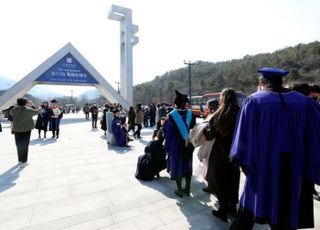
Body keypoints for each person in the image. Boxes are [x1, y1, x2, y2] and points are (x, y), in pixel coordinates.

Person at [229, 67, 320, 230]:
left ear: (262, 82)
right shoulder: (304, 102)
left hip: (263, 168)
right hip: (294, 169)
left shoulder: (254, 101)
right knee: (285, 214)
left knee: (249, 210)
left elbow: (243, 138)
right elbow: (314, 134)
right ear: (282, 81)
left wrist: (243, 162)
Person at [202, 88, 240, 222]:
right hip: (235, 154)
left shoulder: (219, 114)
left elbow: (209, 134)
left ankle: (223, 209)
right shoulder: (240, 112)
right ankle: (233, 208)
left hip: (220, 153)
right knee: (233, 180)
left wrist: (205, 128)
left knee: (219, 181)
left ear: (223, 98)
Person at [163, 90, 196, 198]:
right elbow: (194, 129)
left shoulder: (172, 115)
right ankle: (187, 188)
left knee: (177, 166)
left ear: (176, 103)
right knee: (188, 165)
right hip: (188, 144)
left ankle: (179, 189)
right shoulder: (191, 114)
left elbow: (166, 130)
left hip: (176, 145)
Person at [10, 98, 39, 167]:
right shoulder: (29, 110)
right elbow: (36, 112)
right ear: (25, 103)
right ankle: (24, 162)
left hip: (17, 130)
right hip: (26, 130)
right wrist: (30, 105)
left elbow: (11, 112)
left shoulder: (14, 110)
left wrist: (17, 106)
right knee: (25, 145)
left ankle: (20, 160)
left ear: (18, 103)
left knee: (18, 145)